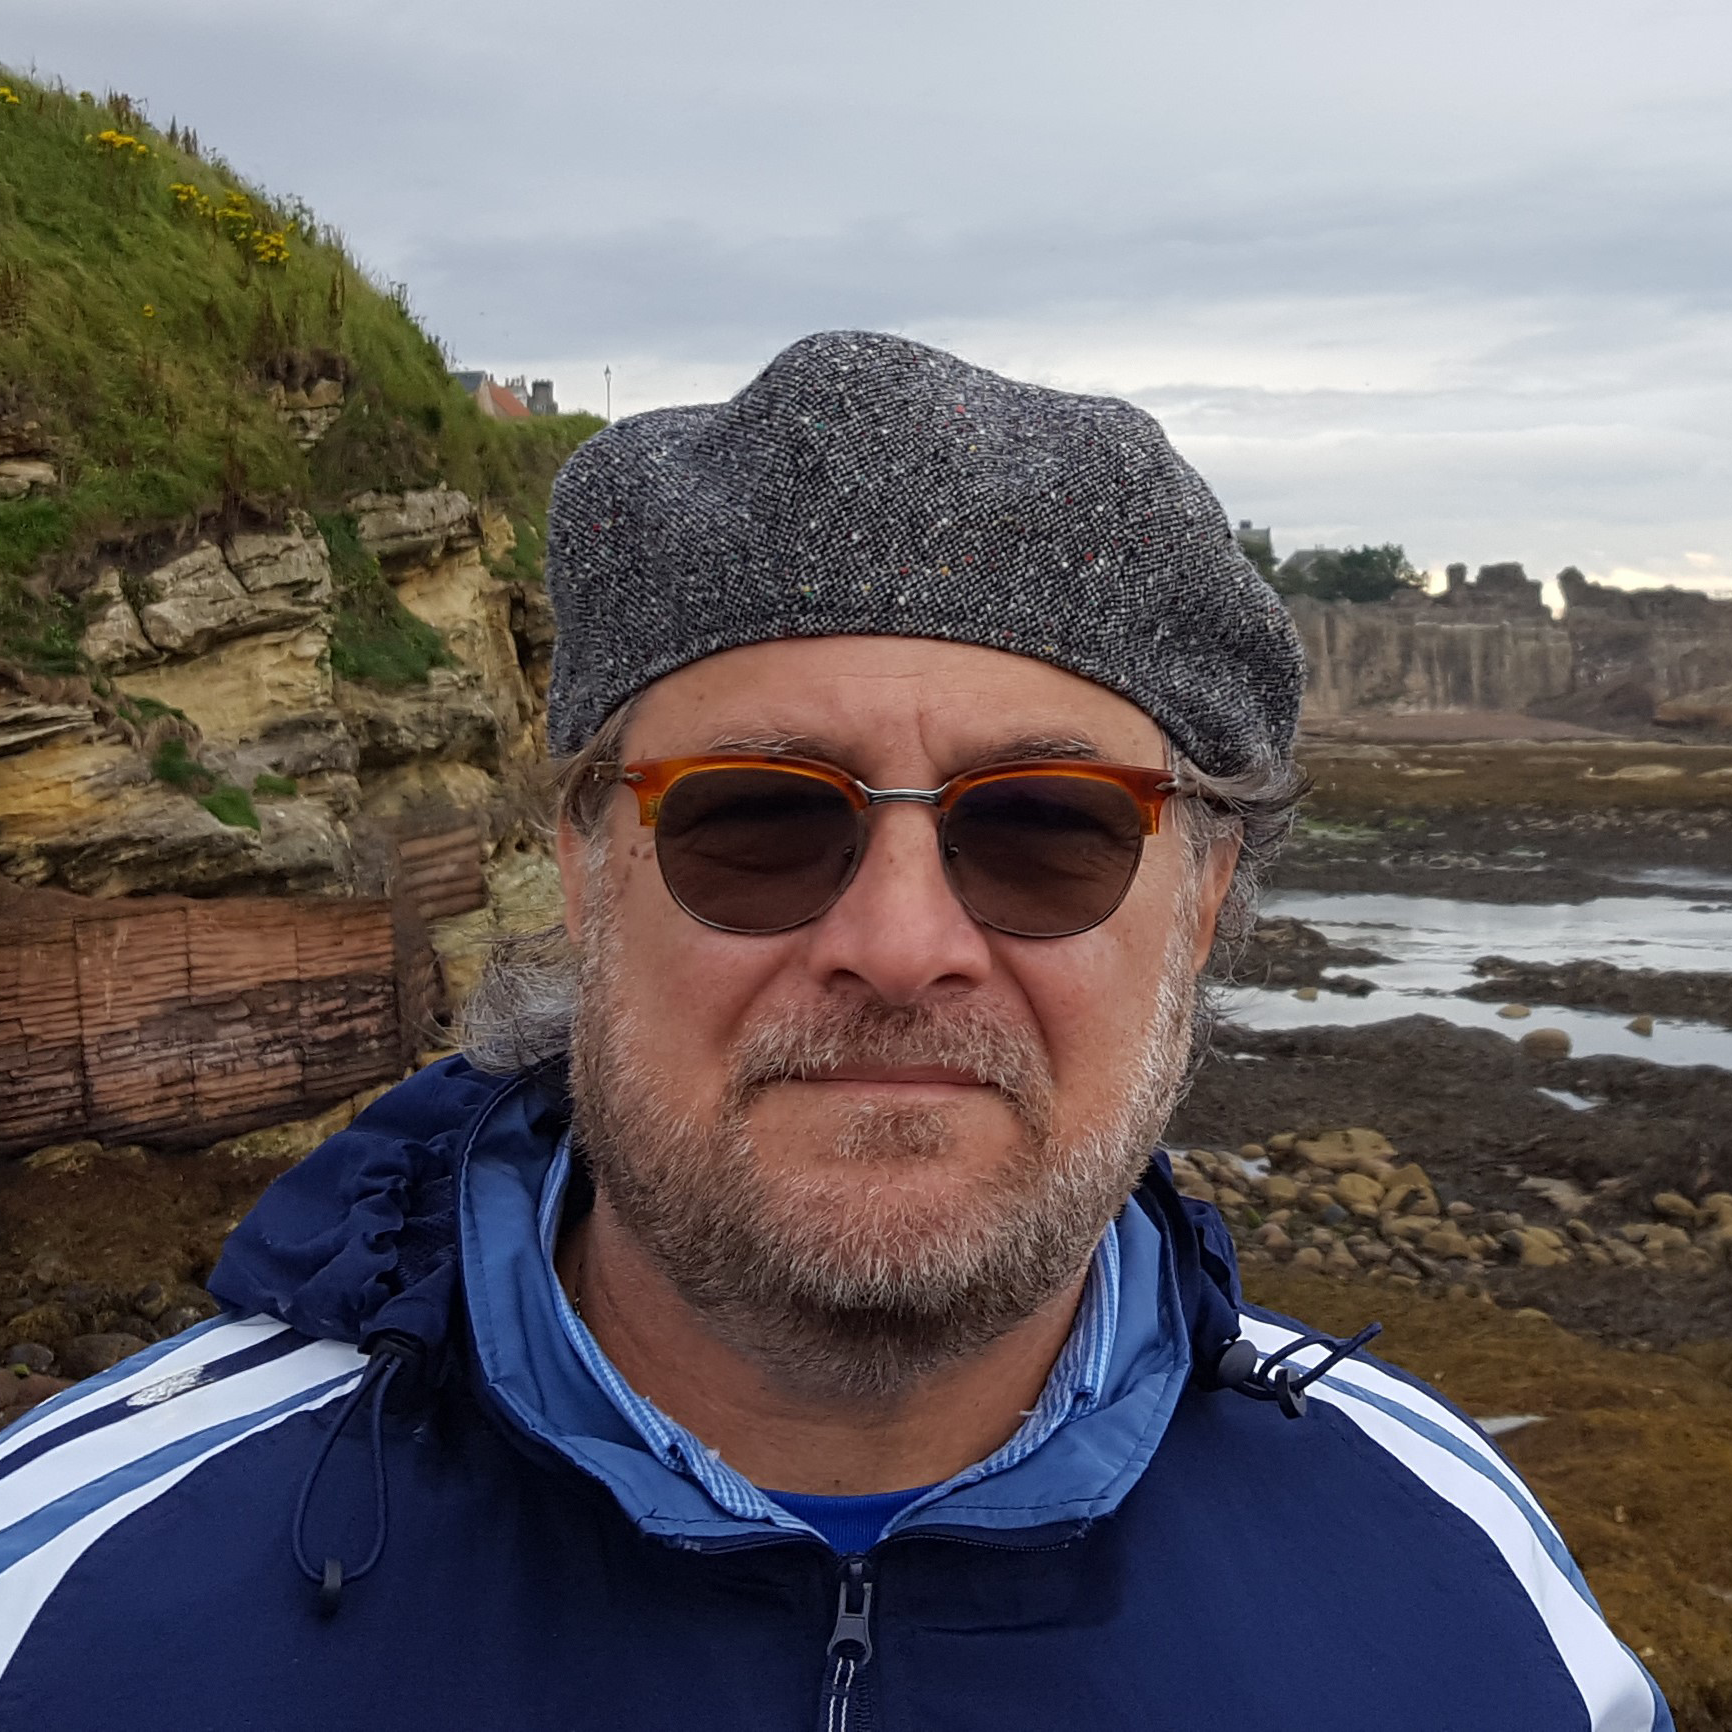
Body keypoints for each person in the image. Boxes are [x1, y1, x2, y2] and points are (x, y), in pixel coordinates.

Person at [0, 332, 1667, 1731]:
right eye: (757, 820)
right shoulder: (62, 1614)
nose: (898, 945)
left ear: (1210, 895)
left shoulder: (1488, 1622)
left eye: (1046, 829)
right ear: (582, 869)